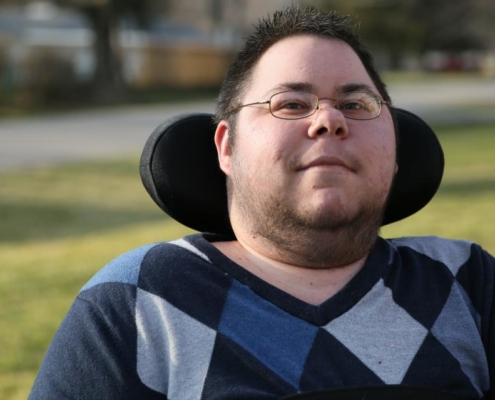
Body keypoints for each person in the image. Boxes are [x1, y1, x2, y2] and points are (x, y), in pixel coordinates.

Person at [30, 6, 494, 400]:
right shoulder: (136, 298)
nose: (329, 120)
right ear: (226, 148)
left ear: (395, 151)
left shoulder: (467, 281)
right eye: (291, 104)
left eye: (356, 105)